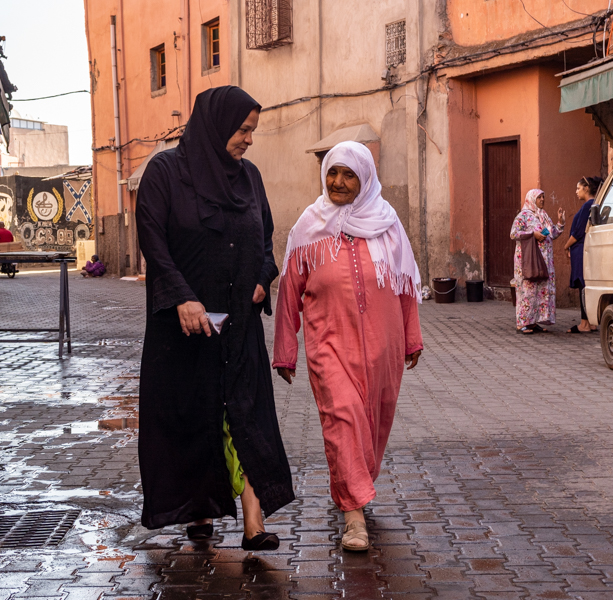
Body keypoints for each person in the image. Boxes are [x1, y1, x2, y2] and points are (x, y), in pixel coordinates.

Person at [135, 86, 293, 551]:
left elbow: (265, 239)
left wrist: (264, 276)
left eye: (252, 131)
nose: (248, 140)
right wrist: (182, 297)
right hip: (184, 330)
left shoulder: (250, 178)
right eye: (242, 130)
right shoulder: (165, 172)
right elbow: (154, 242)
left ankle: (254, 523)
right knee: (194, 419)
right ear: (216, 124)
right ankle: (197, 508)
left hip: (239, 327)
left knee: (243, 416)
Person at [273, 141, 423, 552]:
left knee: (373, 423)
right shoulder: (309, 225)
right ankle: (354, 517)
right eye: (333, 173)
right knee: (343, 419)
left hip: (384, 346)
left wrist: (412, 337)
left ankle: (355, 483)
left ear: (365, 178)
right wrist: (286, 348)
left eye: (348, 174)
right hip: (329, 346)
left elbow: (404, 283)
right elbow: (289, 291)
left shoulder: (388, 222)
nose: (338, 182)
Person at [510, 189, 566, 334]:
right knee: (527, 290)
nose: (542, 200)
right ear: (531, 199)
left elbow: (552, 234)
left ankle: (534, 322)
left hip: (544, 262)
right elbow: (514, 233)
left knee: (540, 290)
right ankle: (522, 323)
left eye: (543, 197)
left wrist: (560, 223)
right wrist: (532, 234)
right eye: (539, 197)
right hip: (528, 260)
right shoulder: (523, 216)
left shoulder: (544, 215)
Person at [563, 176, 603, 333]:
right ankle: (590, 322)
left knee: (583, 285)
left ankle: (585, 323)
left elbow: (579, 231)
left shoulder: (588, 205)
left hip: (581, 250)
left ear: (586, 189)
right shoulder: (594, 205)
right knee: (586, 285)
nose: (576, 192)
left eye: (578, 188)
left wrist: (566, 246)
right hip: (586, 249)